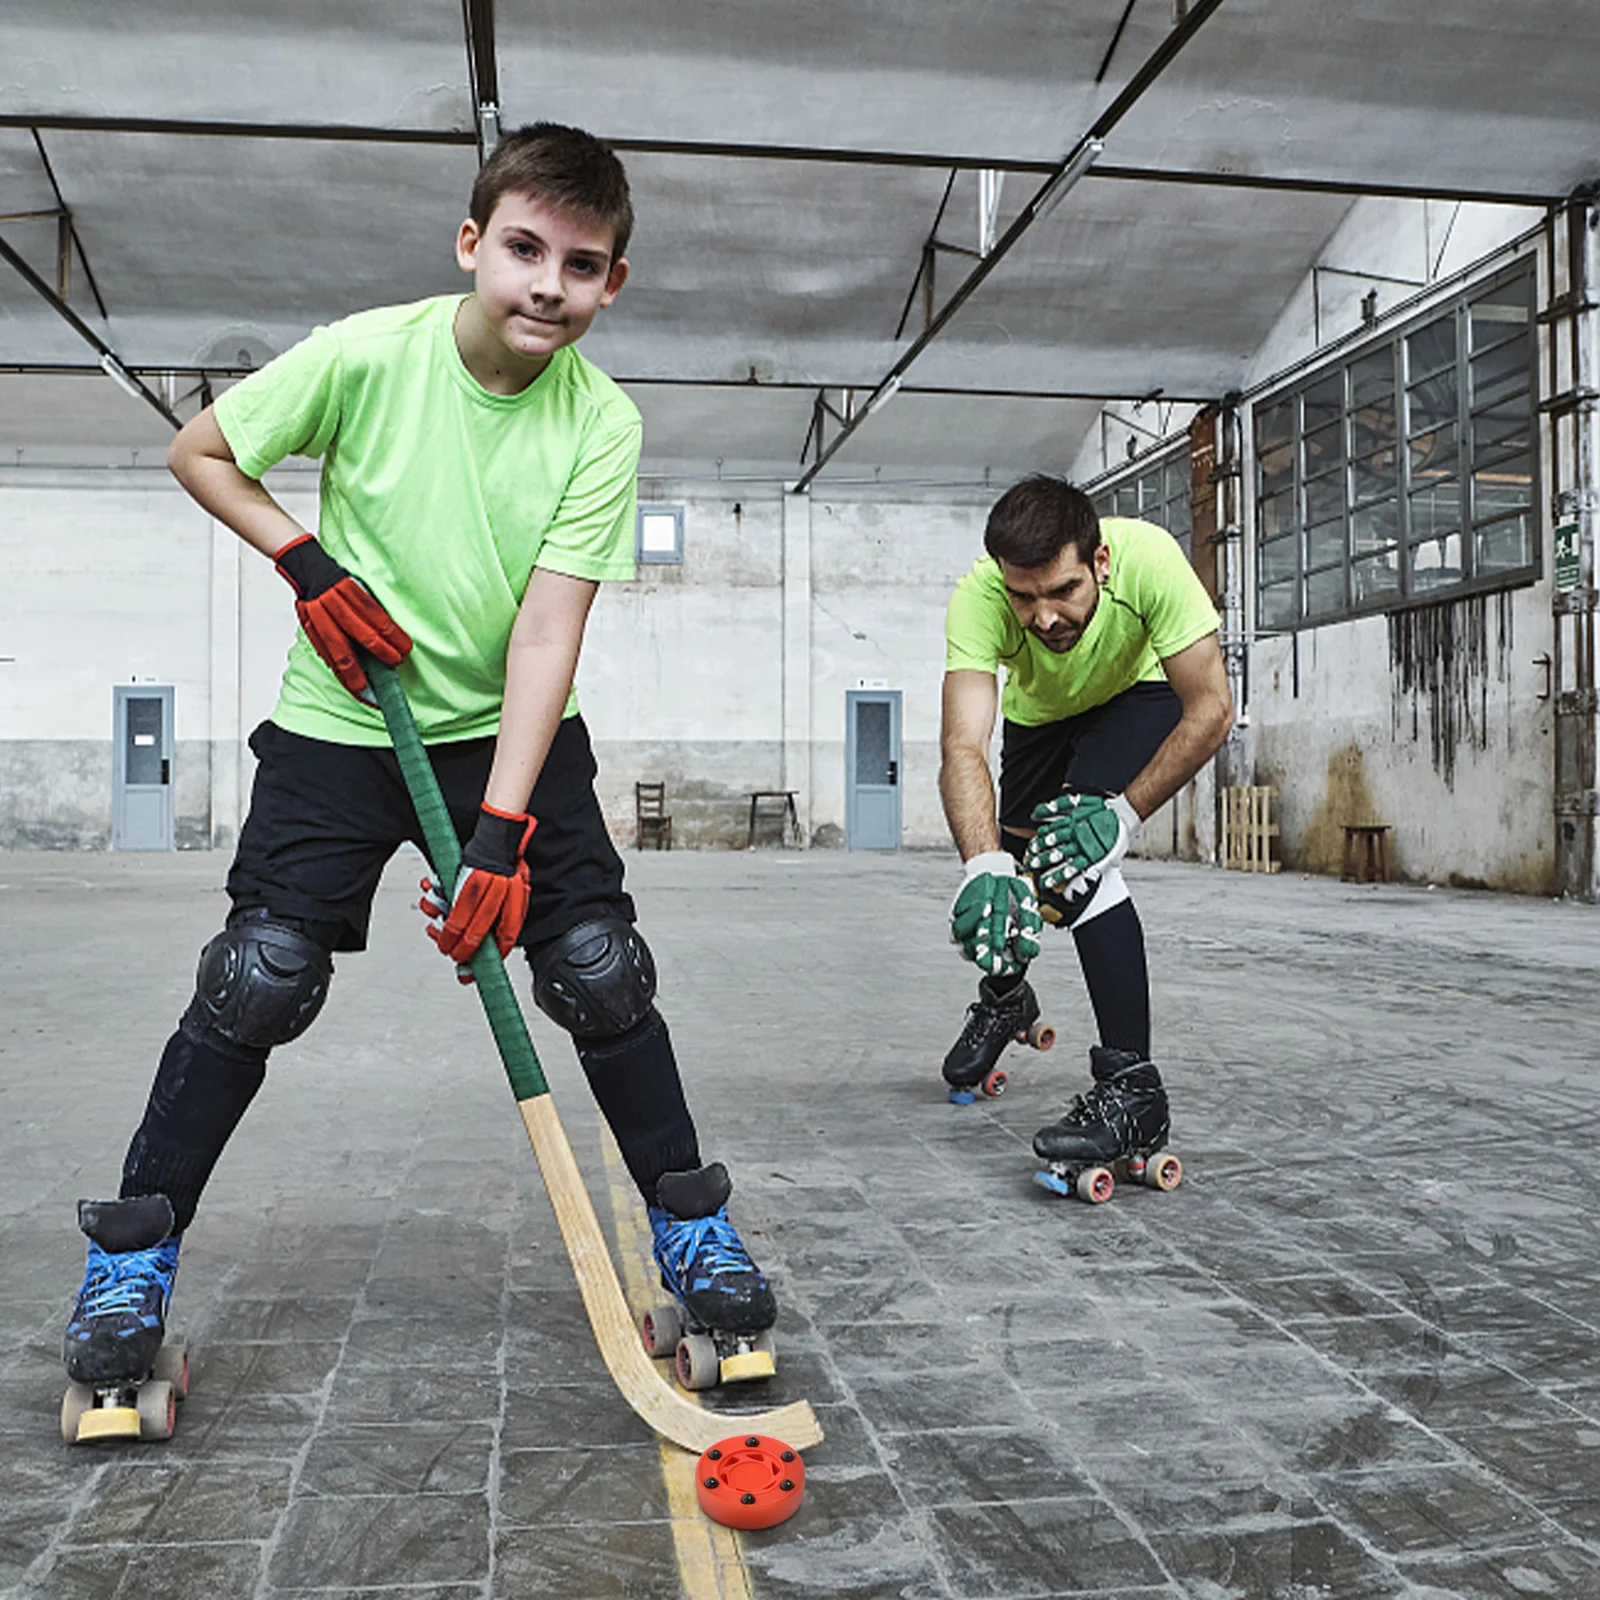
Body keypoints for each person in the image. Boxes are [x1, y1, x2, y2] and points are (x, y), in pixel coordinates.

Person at [62, 123, 775, 1401]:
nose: (546, 283)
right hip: (345, 721)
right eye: (522, 248)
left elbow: (549, 627)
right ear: (471, 243)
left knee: (599, 969)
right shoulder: (364, 355)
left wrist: (502, 831)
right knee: (259, 976)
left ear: (614, 283)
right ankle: (132, 1257)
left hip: (510, 735)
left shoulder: (602, 425)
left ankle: (692, 1233)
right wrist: (304, 559)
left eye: (581, 263)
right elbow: (201, 452)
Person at [938, 474, 1233, 1174]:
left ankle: (1132, 1090)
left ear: (1099, 564)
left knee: (1072, 857)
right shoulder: (980, 596)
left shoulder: (1151, 561)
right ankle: (1007, 1001)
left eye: (1063, 591)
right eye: (1026, 597)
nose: (1043, 618)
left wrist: (1123, 817)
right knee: (1011, 884)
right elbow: (961, 746)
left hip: (1137, 695)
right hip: (1038, 718)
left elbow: (1213, 707)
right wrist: (982, 866)